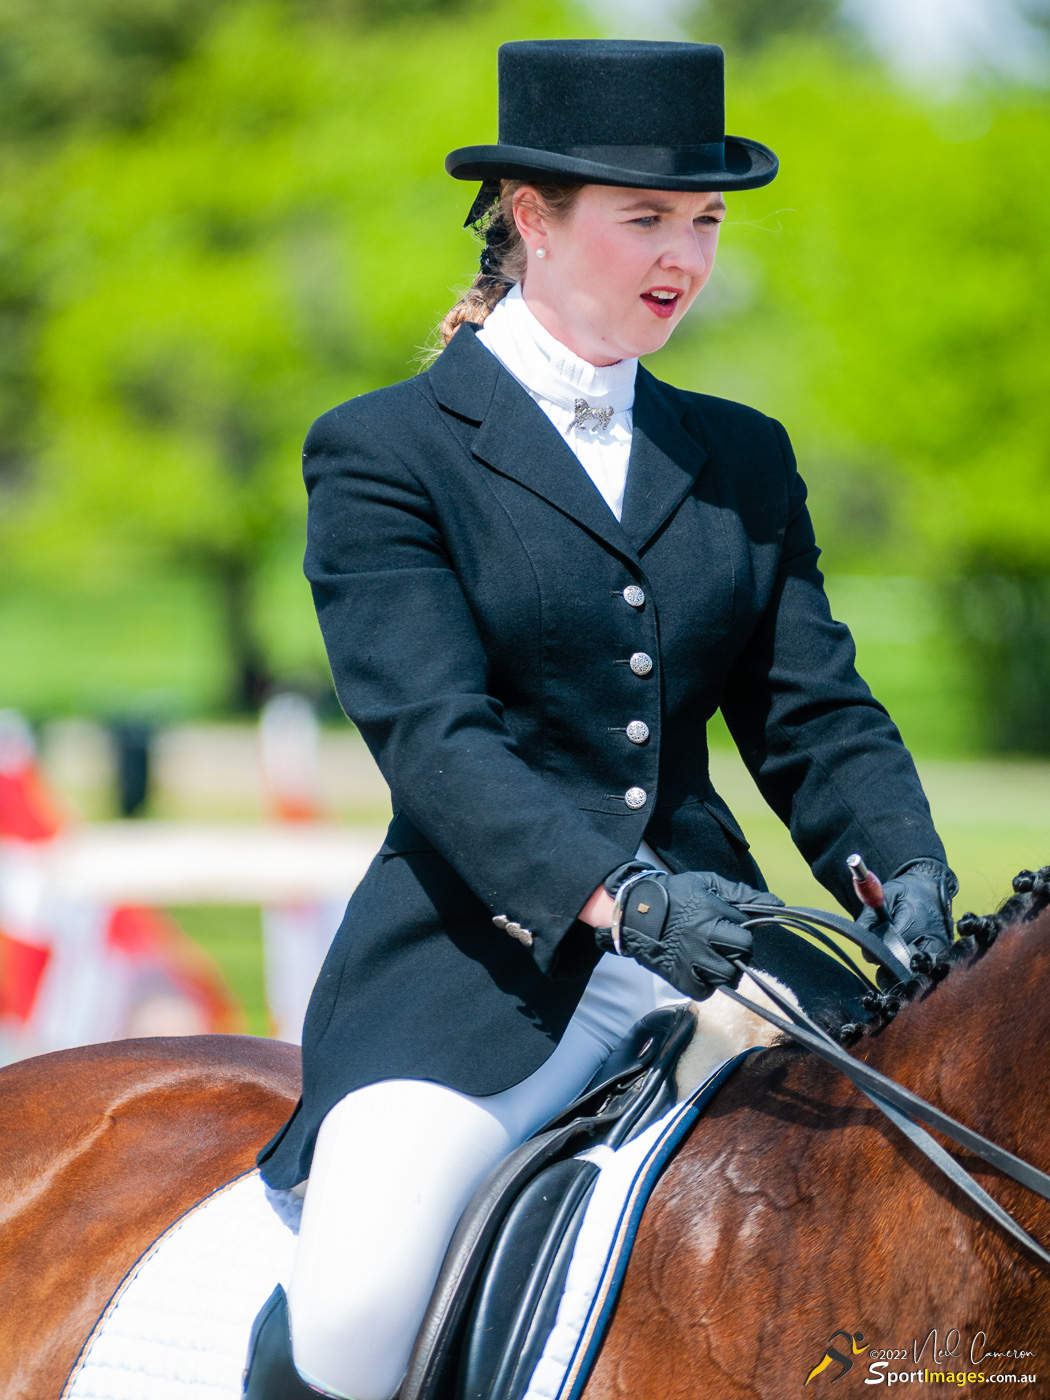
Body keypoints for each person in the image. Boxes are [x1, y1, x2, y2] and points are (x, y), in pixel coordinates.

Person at [244, 38, 956, 1400]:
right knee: (355, 1307)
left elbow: (812, 712)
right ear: (531, 217)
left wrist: (899, 865)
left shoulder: (738, 453)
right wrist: (614, 897)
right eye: (645, 219)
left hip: (729, 948)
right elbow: (437, 743)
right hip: (481, 972)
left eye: (702, 222)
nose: (683, 255)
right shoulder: (384, 451)